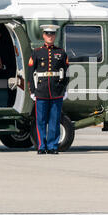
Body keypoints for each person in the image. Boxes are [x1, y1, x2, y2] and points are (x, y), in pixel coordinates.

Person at [28, 24, 69, 155]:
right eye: (47, 34)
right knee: (40, 120)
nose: (50, 36)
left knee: (54, 120)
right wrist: (32, 90)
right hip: (41, 91)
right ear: (44, 36)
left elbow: (66, 72)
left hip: (56, 91)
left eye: (52, 34)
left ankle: (52, 146)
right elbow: (30, 72)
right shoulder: (37, 52)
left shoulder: (61, 53)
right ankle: (41, 146)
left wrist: (65, 89)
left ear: (55, 36)